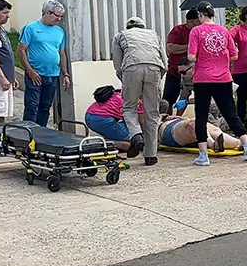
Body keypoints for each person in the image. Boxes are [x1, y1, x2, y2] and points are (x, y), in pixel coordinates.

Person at [186, 2, 247, 166]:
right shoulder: (224, 31)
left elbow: (191, 57)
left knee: (201, 116)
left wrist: (203, 55)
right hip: (223, 78)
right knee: (231, 113)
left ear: (201, 15)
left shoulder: (196, 31)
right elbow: (234, 56)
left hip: (203, 78)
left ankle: (203, 155)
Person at [111, 16, 166, 166]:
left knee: (129, 108)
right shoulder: (154, 35)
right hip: (154, 68)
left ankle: (136, 136)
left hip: (131, 68)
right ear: (143, 26)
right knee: (152, 113)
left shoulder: (120, 35)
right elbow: (165, 63)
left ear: (129, 27)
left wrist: (127, 82)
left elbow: (117, 65)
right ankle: (150, 156)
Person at [17, 0, 70, 127]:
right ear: (46, 12)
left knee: (45, 107)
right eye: (56, 15)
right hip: (35, 73)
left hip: (52, 74)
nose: (58, 19)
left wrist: (65, 74)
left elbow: (62, 53)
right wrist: (29, 70)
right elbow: (21, 49)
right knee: (32, 106)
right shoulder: (31, 28)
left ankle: (41, 132)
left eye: (61, 16)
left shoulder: (59, 31)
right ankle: (28, 134)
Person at [159, 104, 244, 152]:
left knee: (213, 130)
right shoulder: (152, 119)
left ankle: (239, 143)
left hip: (179, 123)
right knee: (194, 124)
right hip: (167, 130)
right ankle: (212, 144)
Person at [84, 86, 143, 155]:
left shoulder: (119, 92)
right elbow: (141, 122)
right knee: (134, 140)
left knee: (130, 134)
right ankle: (106, 143)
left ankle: (111, 139)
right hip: (102, 120)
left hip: (89, 116)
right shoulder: (137, 101)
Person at [163, 9, 199, 112]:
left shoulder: (199, 32)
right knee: (168, 100)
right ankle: (167, 118)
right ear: (191, 21)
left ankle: (178, 117)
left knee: (185, 97)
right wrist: (190, 47)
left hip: (193, 72)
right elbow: (170, 48)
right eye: (198, 20)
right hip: (175, 71)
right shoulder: (178, 30)